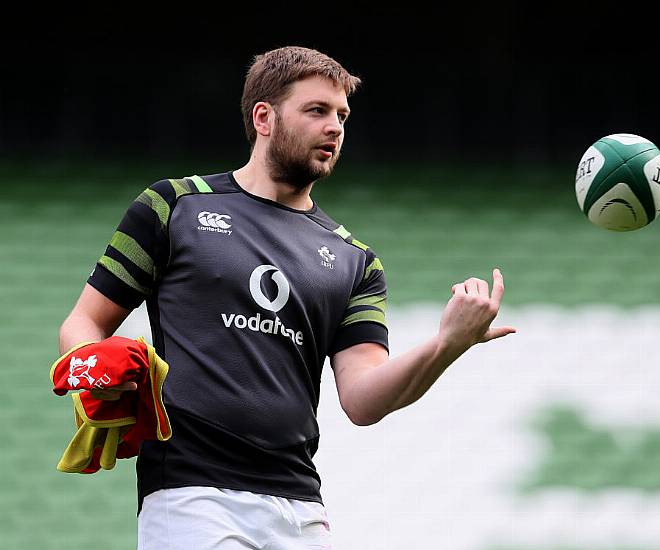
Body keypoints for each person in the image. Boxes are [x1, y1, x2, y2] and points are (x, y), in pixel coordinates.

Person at [57, 45, 516, 550]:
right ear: (264, 117)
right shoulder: (172, 205)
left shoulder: (355, 260)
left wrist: (446, 345)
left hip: (300, 508)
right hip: (192, 495)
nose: (335, 127)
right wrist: (89, 361)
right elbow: (85, 321)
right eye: (316, 111)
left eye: (342, 115)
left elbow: (362, 401)